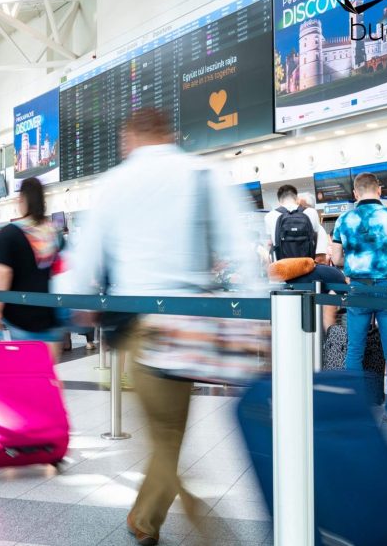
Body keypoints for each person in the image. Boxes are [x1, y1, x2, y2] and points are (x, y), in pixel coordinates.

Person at [67, 109, 259, 546]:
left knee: (164, 435)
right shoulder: (200, 174)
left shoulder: (114, 182)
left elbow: (87, 253)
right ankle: (147, 518)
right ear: (169, 133)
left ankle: (192, 523)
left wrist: (80, 303)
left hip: (140, 326)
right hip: (190, 327)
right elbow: (238, 246)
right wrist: (256, 313)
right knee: (169, 432)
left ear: (131, 135)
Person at [332, 172, 387, 424]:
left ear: (355, 193)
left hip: (358, 289)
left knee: (355, 350)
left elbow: (336, 259)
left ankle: (354, 407)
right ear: (379, 190)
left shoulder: (344, 219)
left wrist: (356, 263)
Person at [0, 177, 63, 357]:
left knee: (23, 374)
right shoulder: (54, 232)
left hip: (19, 316)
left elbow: (3, 273)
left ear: (22, 200)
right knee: (46, 373)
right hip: (52, 315)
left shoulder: (10, 233)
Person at [265, 185, 321, 260]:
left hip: (283, 266)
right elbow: (315, 237)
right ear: (296, 198)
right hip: (306, 264)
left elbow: (270, 243)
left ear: (279, 200)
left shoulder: (269, 216)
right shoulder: (311, 212)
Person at [298, 192, 331, 264]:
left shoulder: (319, 230)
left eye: (300, 206)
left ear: (310, 208)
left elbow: (320, 259)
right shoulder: (295, 228)